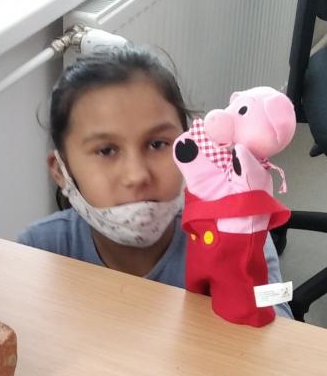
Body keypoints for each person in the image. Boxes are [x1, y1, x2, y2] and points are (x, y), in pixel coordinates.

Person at [17, 45, 290, 318]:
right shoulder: (40, 247)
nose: (137, 175)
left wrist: (245, 287)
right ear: (61, 170)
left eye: (158, 144)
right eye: (106, 150)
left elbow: (281, 307)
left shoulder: (240, 229)